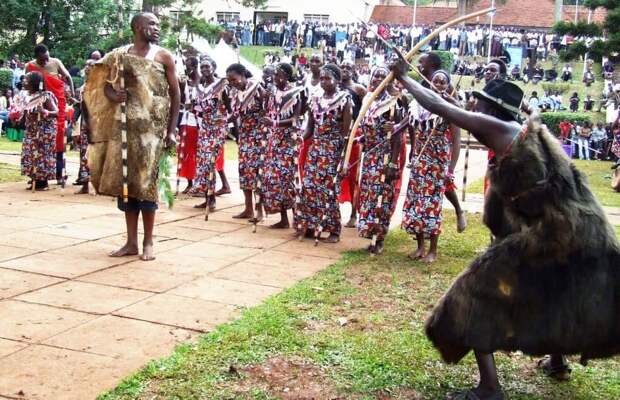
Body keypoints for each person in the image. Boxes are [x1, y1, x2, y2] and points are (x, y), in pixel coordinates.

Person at [391, 55, 620, 400]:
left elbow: (443, 107)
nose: (472, 105)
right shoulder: (527, 134)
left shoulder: (505, 132)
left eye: (478, 103)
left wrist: (405, 79)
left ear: (491, 109)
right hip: (581, 232)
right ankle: (557, 361)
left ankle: (490, 388)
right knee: (554, 290)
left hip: (558, 234)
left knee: (474, 293)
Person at [84, 12, 180, 261]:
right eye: (152, 24)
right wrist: (113, 96)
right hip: (125, 130)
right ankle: (131, 242)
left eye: (159, 24)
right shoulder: (119, 55)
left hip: (152, 133)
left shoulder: (163, 56)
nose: (157, 28)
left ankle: (149, 242)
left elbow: (176, 94)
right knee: (126, 187)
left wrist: (171, 130)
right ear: (137, 26)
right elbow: (99, 79)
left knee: (146, 186)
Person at [403, 70, 461, 263]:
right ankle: (420, 246)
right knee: (416, 201)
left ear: (447, 86)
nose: (438, 84)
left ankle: (432, 250)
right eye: (435, 81)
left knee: (432, 203)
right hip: (420, 160)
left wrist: (450, 170)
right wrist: (412, 154)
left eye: (442, 82)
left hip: (438, 161)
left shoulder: (448, 107)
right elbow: (412, 131)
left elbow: (456, 141)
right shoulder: (417, 104)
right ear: (429, 82)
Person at [295, 64, 352, 243]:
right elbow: (310, 127)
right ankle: (310, 225)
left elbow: (345, 132)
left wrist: (343, 159)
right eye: (322, 78)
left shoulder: (344, 99)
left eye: (328, 78)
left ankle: (334, 230)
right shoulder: (315, 98)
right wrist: (301, 139)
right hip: (316, 148)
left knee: (328, 189)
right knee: (309, 186)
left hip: (333, 150)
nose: (324, 82)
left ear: (337, 80)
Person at [357, 66, 404, 255]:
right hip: (369, 156)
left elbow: (398, 137)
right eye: (375, 75)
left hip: (384, 157)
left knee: (381, 196)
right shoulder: (368, 100)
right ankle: (369, 233)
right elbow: (366, 128)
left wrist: (392, 163)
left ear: (389, 81)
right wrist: (362, 139)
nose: (377, 79)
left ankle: (379, 238)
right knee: (368, 195)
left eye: (382, 76)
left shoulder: (392, 104)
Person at [260, 62, 304, 229]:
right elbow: (267, 112)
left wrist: (275, 123)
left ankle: (297, 219)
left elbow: (295, 119)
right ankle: (283, 218)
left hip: (288, 141)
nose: (275, 78)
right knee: (273, 179)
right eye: (275, 75)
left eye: (279, 75)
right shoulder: (272, 93)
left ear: (286, 76)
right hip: (273, 140)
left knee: (288, 179)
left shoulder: (295, 93)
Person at [26, 44, 75, 186]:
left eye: (47, 58)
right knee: (37, 141)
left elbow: (68, 77)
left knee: (59, 137)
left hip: (56, 104)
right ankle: (38, 175)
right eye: (43, 60)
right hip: (39, 106)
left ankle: (59, 173)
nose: (46, 62)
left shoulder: (56, 62)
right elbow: (28, 85)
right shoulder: (29, 66)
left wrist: (71, 94)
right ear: (37, 58)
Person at [226, 63, 268, 222]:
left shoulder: (258, 89)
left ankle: (259, 211)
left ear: (243, 75)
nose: (233, 83)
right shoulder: (235, 93)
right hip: (244, 136)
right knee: (244, 172)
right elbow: (234, 115)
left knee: (258, 173)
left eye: (234, 79)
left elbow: (268, 110)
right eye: (230, 81)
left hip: (259, 136)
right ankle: (248, 208)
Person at [191, 58, 230, 211]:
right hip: (205, 128)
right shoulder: (200, 87)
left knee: (210, 161)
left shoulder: (222, 85)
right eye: (202, 67)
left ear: (214, 67)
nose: (204, 69)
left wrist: (226, 122)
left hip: (217, 128)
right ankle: (208, 197)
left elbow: (230, 107)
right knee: (203, 162)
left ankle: (211, 199)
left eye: (207, 66)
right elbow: (198, 109)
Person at [339, 59, 367, 228]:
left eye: (349, 67)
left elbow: (366, 111)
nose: (345, 69)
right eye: (342, 66)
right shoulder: (334, 88)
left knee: (352, 174)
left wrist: (361, 133)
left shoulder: (359, 89)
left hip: (354, 135)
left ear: (354, 69)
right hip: (337, 135)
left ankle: (354, 214)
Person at [19, 72, 58, 191]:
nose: (24, 82)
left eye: (26, 80)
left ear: (34, 83)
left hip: (43, 132)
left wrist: (45, 111)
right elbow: (26, 112)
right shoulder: (26, 96)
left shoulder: (45, 96)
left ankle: (42, 181)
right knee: (29, 154)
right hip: (31, 131)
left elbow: (56, 112)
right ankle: (34, 177)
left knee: (41, 155)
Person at [177, 56, 201, 194]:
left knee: (195, 152)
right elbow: (181, 100)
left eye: (189, 66)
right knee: (185, 152)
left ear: (195, 66)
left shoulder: (203, 81)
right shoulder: (185, 82)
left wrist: (195, 106)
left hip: (197, 122)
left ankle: (199, 182)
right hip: (185, 120)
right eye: (185, 66)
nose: (187, 69)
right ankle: (190, 182)